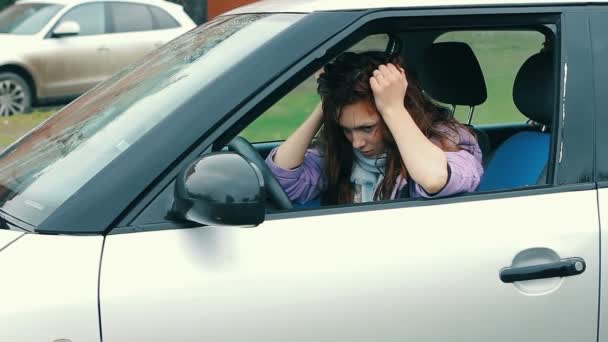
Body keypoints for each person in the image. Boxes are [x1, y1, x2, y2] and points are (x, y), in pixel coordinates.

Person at [265, 51, 483, 205]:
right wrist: (326, 105)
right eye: (346, 129)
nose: (356, 143)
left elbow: (435, 179)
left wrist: (394, 109)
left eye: (367, 128)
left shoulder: (450, 144)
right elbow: (282, 183)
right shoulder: (342, 153)